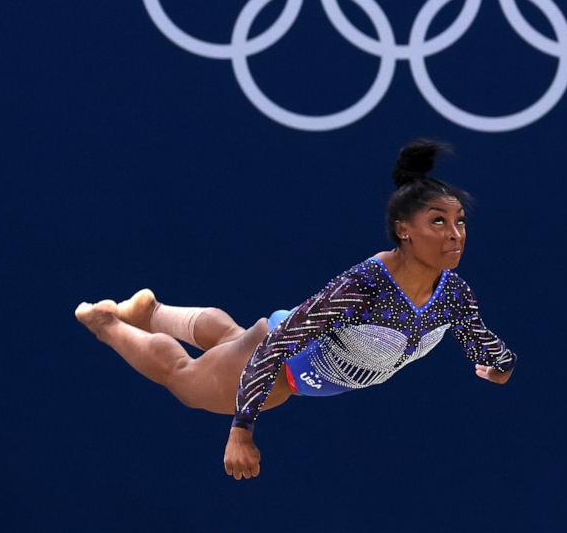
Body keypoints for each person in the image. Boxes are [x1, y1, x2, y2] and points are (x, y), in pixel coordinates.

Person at [75, 139, 516, 480]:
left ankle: (151, 311)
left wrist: (501, 365)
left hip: (284, 354)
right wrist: (240, 430)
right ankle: (108, 324)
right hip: (279, 367)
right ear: (404, 230)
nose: (455, 234)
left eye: (460, 221)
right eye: (438, 222)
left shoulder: (453, 294)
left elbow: (479, 338)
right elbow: (276, 348)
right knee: (186, 382)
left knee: (231, 339)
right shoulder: (364, 287)